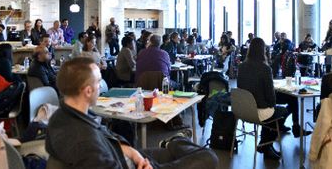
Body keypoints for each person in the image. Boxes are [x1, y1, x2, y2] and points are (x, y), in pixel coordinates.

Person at [45, 57, 218, 169]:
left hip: (125, 157)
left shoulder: (65, 116)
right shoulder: (83, 141)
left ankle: (175, 142)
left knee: (189, 150)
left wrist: (134, 154)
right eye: (98, 81)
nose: (101, 85)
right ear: (88, 91)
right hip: (129, 164)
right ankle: (175, 142)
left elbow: (106, 140)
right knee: (208, 157)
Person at [237, 37, 288, 160]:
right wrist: (272, 104)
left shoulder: (242, 67)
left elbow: (240, 87)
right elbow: (271, 98)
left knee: (274, 109)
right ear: (263, 51)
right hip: (259, 111)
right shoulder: (265, 69)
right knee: (283, 111)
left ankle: (266, 145)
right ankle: (266, 143)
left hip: (243, 109)